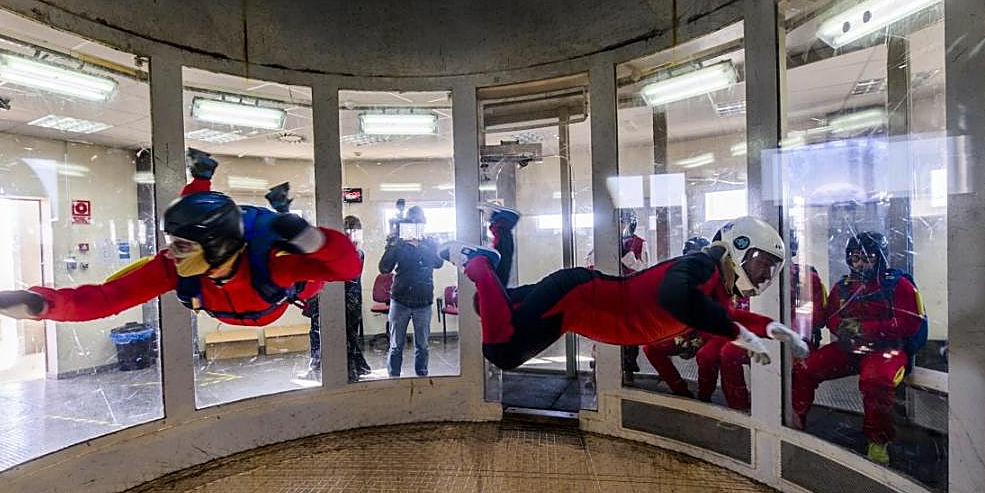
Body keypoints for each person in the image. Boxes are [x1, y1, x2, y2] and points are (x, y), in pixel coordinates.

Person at [0, 148, 363, 333]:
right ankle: (203, 178)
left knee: (293, 244)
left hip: (280, 295)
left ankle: (281, 209)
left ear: (216, 248)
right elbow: (105, 298)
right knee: (196, 210)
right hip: (234, 293)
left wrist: (311, 239)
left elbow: (348, 267)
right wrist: (41, 305)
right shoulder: (175, 268)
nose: (171, 254)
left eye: (182, 246)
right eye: (173, 243)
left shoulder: (274, 267)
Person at [440, 211, 809, 372]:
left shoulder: (716, 289)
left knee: (485, 303)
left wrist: (774, 330)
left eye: (770, 269)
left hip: (579, 301)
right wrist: (740, 335)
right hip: (576, 298)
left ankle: (501, 228)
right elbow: (677, 301)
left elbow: (726, 315)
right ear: (738, 246)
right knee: (502, 352)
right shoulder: (698, 266)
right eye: (762, 264)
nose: (764, 276)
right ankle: (476, 261)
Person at [790, 230, 927, 465]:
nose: (861, 264)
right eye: (855, 258)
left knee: (875, 382)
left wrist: (867, 329)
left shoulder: (898, 284)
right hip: (850, 349)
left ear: (881, 258)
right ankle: (794, 421)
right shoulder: (843, 287)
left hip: (886, 350)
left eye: (868, 258)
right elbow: (830, 316)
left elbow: (910, 322)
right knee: (805, 368)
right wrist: (842, 328)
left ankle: (877, 441)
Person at [706, 230, 828, 411]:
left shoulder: (807, 279)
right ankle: (739, 408)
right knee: (728, 354)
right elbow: (738, 306)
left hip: (791, 334)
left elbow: (815, 317)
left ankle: (796, 417)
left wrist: (791, 332)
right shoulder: (746, 275)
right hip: (757, 330)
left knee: (800, 366)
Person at [302, 214, 371, 381]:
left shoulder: (356, 253)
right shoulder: (352, 252)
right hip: (337, 300)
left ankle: (349, 370)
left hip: (347, 301)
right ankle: (325, 368)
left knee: (346, 337)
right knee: (323, 334)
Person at [642, 236, 713, 396]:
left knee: (707, 355)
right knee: (651, 348)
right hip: (681, 334)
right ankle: (679, 389)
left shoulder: (717, 280)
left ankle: (705, 396)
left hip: (707, 333)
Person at [379, 205, 443, 377]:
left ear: (423, 224)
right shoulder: (399, 243)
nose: (414, 227)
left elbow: (438, 263)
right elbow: (384, 268)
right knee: (395, 345)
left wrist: (420, 245)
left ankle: (422, 379)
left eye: (418, 223)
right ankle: (394, 378)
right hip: (400, 300)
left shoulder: (430, 242)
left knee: (422, 346)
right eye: (411, 223)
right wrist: (393, 245)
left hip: (423, 301)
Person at [618, 210, 649, 385]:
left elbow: (644, 269)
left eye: (623, 222)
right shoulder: (604, 241)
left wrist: (627, 256)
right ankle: (599, 372)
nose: (621, 226)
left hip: (631, 294)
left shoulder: (639, 243)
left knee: (629, 335)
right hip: (610, 292)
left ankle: (628, 370)